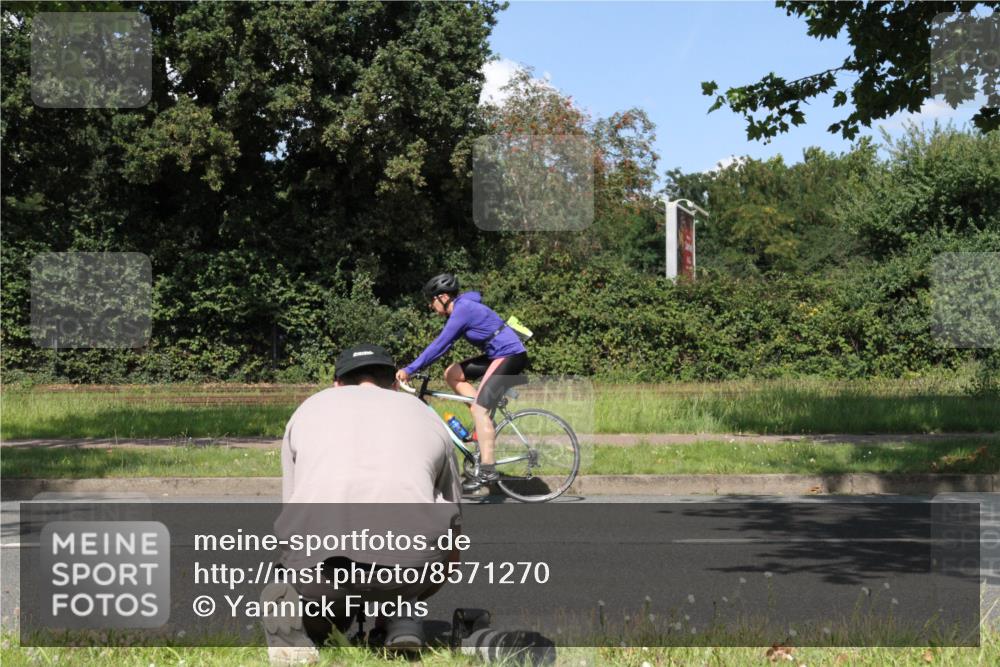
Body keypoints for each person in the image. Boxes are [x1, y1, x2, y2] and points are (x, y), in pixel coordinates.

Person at [262, 343, 462, 665]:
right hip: (408, 570)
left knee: (320, 602)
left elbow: (292, 510)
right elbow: (454, 524)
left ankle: (300, 621)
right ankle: (400, 616)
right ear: (395, 384)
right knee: (430, 540)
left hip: (320, 573)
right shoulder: (425, 416)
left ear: (337, 384)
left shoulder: (309, 409)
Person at [395, 273, 529, 490]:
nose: (431, 306)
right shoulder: (462, 307)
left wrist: (409, 369)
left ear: (444, 297)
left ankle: (488, 469)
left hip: (510, 354)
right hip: (497, 354)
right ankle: (483, 417)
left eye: (432, 300)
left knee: (479, 409)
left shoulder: (463, 310)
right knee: (452, 373)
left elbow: (440, 345)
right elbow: (443, 348)